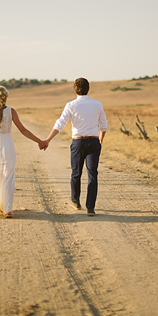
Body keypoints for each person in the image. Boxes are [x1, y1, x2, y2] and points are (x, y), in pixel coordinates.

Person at [0, 86, 47, 218]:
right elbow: (23, 130)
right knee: (8, 177)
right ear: (5, 97)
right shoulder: (11, 111)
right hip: (7, 146)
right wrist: (39, 141)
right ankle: (7, 209)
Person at [44, 78, 108, 216]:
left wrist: (48, 139)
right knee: (92, 174)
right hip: (93, 142)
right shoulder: (97, 104)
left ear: (75, 89)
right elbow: (104, 125)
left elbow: (60, 124)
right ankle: (90, 208)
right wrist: (100, 139)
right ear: (88, 88)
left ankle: (75, 201)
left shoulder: (71, 105)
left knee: (76, 173)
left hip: (78, 143)